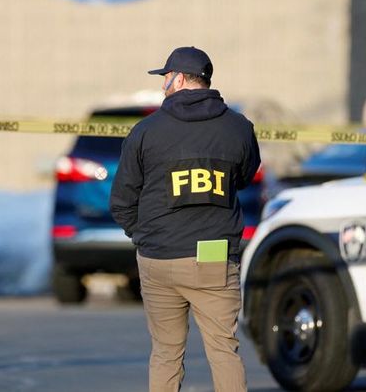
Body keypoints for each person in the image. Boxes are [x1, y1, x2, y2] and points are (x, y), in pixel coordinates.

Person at [110, 46, 260, 392]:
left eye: (165, 76)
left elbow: (122, 200)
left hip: (158, 256)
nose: (163, 83)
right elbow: (244, 176)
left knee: (165, 353)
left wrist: (144, 236)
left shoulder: (146, 131)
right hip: (213, 254)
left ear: (178, 79)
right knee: (223, 350)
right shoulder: (239, 127)